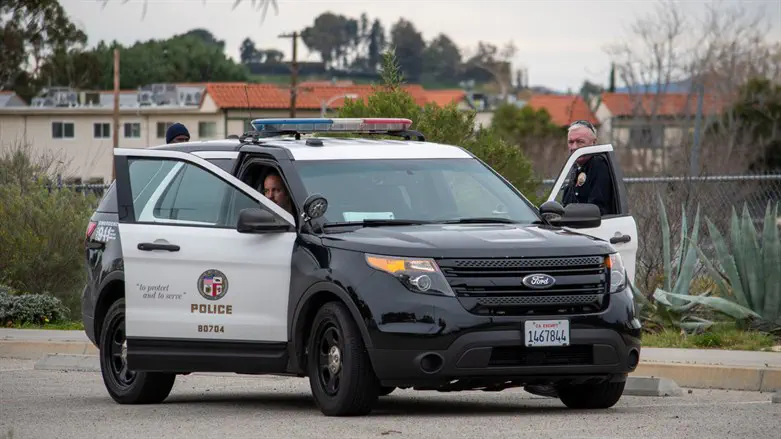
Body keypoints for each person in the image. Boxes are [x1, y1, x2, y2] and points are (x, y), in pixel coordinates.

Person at [560, 119, 614, 216]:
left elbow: (596, 211)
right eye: (571, 142)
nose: (574, 147)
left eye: (580, 142)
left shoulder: (599, 166)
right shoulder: (576, 168)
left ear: (594, 143)